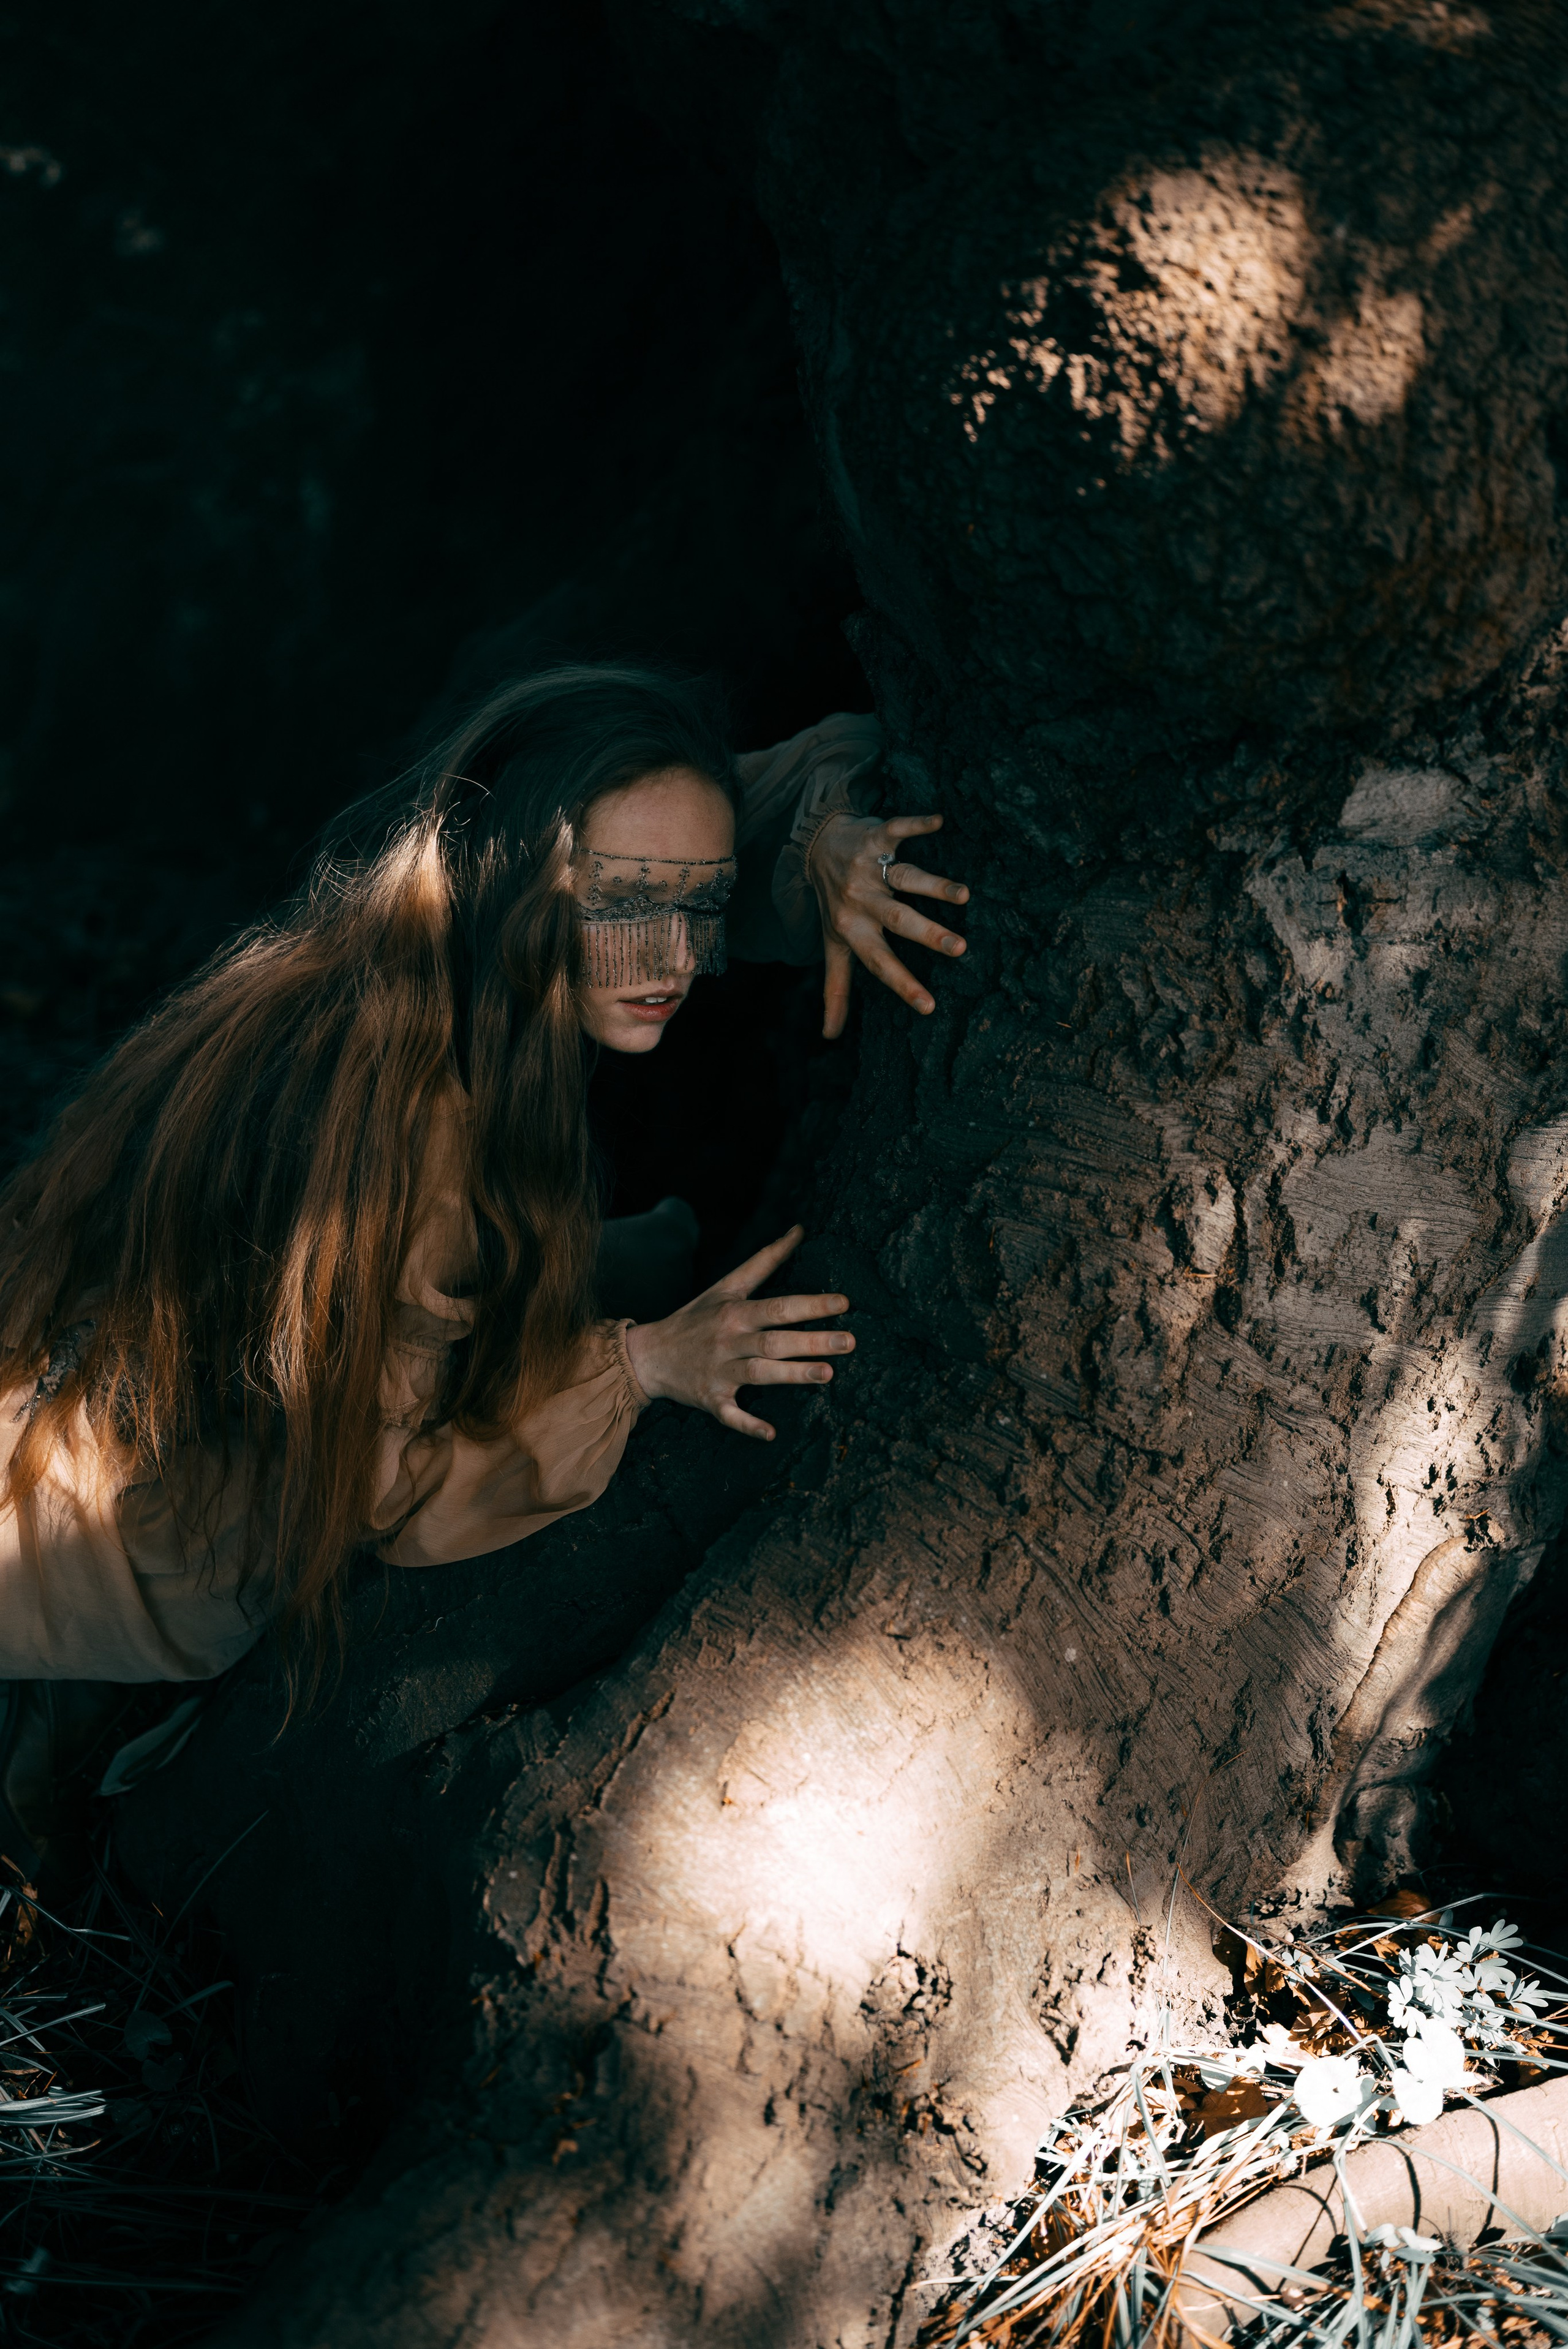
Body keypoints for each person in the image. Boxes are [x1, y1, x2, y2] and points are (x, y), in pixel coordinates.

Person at [0, 665, 971, 1878]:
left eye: (706, 905)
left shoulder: (440, 936)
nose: (672, 955)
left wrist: (824, 844)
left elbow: (716, 810)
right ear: (519, 870)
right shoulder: (404, 1137)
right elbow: (386, 1493)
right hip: (82, 1537)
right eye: (625, 904)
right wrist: (636, 1361)